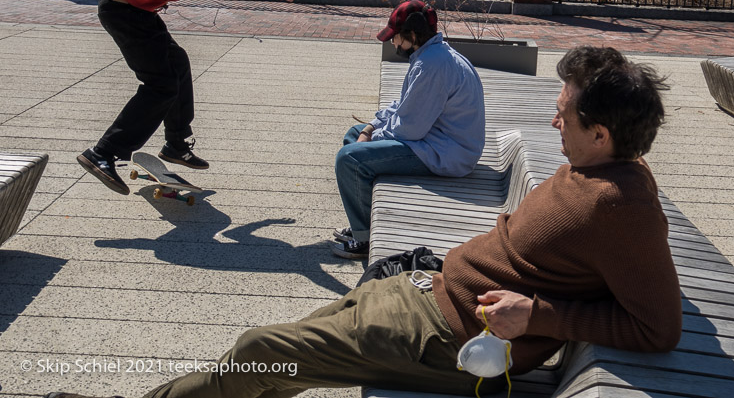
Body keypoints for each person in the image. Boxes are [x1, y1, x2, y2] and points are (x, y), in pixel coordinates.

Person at [48, 46, 683, 398]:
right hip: (420, 293)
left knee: (261, 351)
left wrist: (541, 317)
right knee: (271, 363)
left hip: (444, 341)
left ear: (600, 133)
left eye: (564, 115)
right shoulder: (595, 172)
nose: (553, 122)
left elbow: (657, 327)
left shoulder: (622, 206)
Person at [77, 0, 294, 196]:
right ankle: (103, 153)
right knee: (161, 85)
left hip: (131, 7)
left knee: (177, 63)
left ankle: (176, 144)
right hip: (127, 11)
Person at [331, 0, 486, 259]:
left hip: (447, 153)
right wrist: (370, 127)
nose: (393, 44)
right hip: (438, 140)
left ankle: (365, 238)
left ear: (412, 35)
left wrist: (370, 139)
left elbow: (409, 129)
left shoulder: (432, 66)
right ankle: (364, 223)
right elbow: (404, 106)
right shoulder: (432, 55)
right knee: (353, 133)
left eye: (396, 38)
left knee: (349, 160)